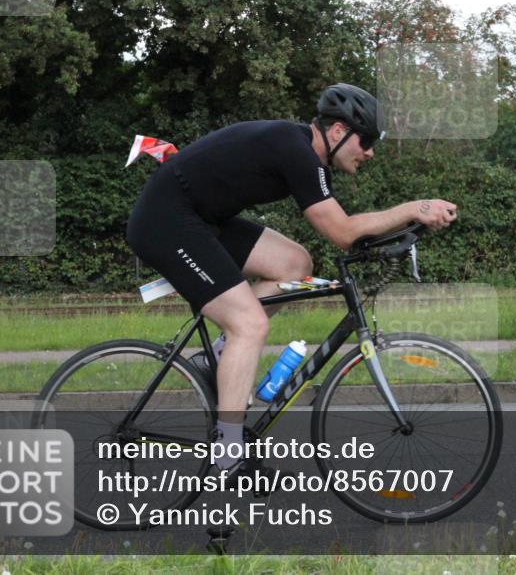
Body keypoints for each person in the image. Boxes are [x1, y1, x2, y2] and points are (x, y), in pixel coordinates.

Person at [126, 83, 457, 473]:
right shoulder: (294, 149)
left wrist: (403, 230)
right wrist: (415, 209)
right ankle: (228, 453)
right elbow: (344, 232)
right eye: (365, 140)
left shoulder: (303, 154)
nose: (369, 152)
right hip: (167, 221)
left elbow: (346, 233)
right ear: (338, 132)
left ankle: (215, 358)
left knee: (294, 263)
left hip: (201, 219)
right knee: (248, 325)